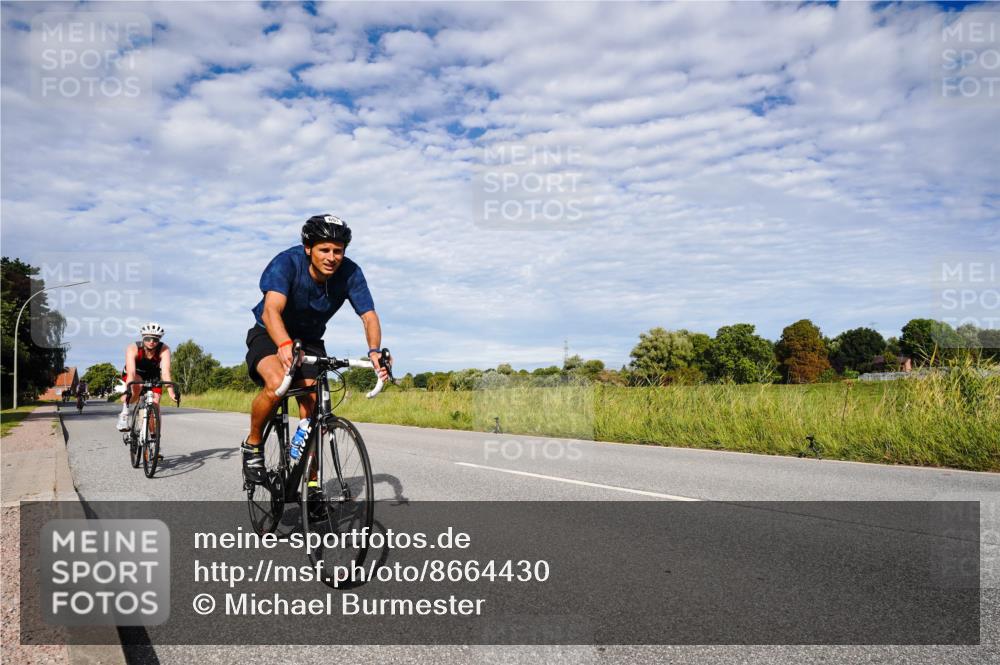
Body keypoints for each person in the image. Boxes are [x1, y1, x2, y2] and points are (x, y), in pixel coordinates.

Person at [242, 214, 389, 489]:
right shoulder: (287, 262)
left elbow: (369, 315)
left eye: (338, 251)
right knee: (277, 385)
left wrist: (374, 351)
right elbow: (272, 309)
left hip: (309, 341)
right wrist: (284, 344)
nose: (332, 257)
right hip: (270, 332)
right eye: (324, 249)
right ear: (309, 248)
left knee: (312, 413)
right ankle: (252, 445)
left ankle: (312, 487)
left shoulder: (350, 273)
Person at [116, 322, 178, 431]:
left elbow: (165, 372)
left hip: (152, 374)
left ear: (159, 340)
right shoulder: (133, 348)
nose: (151, 342)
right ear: (143, 338)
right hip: (135, 372)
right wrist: (129, 390)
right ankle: (124, 413)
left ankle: (153, 437)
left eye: (155, 339)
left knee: (155, 403)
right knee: (137, 387)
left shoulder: (164, 349)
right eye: (148, 338)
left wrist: (171, 392)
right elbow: (131, 373)